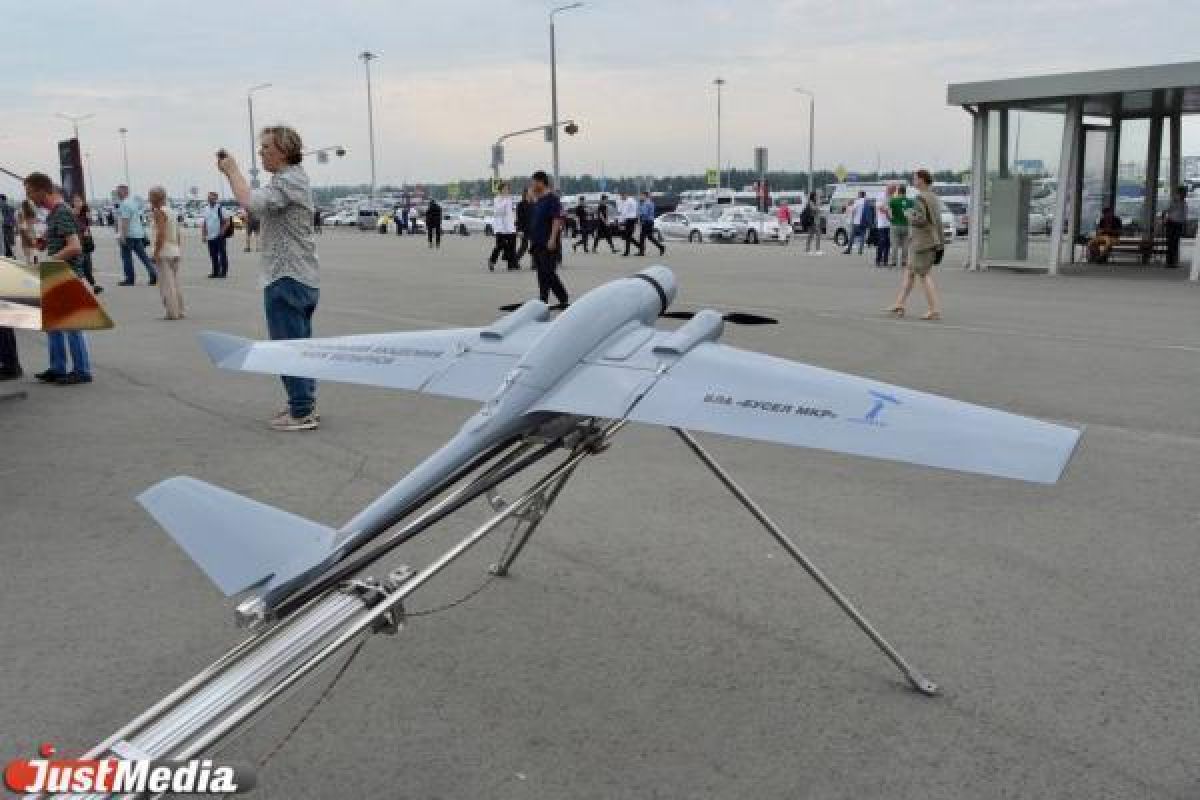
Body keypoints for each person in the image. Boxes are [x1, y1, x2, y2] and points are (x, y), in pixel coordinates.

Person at [218, 126, 321, 431]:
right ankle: (303, 403)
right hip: (298, 276)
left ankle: (301, 411)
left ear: (284, 151)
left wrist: (232, 171)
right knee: (299, 346)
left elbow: (251, 203)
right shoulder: (289, 179)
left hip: (287, 277)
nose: (261, 152)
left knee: (286, 348)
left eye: (266, 147)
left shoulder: (289, 180)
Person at [24, 173, 92, 385]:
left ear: (42, 191)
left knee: (72, 326)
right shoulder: (54, 213)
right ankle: (58, 368)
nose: (29, 197)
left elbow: (75, 247)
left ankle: (81, 370)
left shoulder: (61, 212)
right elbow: (54, 241)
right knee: (52, 323)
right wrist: (40, 241)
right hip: (57, 275)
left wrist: (49, 260)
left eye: (30, 192)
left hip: (68, 276)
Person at [886, 169, 944, 321]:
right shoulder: (933, 196)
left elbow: (921, 219)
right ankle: (900, 303)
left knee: (923, 275)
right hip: (929, 240)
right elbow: (936, 220)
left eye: (915, 178)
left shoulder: (920, 197)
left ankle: (934, 309)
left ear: (922, 180)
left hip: (922, 242)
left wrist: (909, 215)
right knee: (909, 273)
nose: (913, 180)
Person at [528, 170, 567, 307]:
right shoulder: (539, 199)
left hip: (548, 242)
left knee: (548, 272)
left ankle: (563, 297)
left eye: (533, 182)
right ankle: (543, 299)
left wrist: (552, 239)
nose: (532, 185)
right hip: (537, 242)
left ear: (541, 182)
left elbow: (557, 219)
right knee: (541, 273)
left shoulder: (552, 199)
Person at [148, 186, 184, 320]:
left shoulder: (159, 212)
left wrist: (156, 253)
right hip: (174, 250)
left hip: (164, 251)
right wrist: (178, 248)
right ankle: (180, 310)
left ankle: (172, 312)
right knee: (175, 282)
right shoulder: (172, 212)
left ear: (155, 198)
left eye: (150, 196)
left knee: (166, 284)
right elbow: (178, 233)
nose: (149, 199)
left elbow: (161, 234)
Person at [115, 184, 157, 286]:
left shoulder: (124, 204)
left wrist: (123, 236)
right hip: (138, 234)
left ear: (125, 192)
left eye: (119, 191)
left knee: (126, 257)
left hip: (129, 235)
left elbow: (125, 221)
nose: (117, 193)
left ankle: (130, 279)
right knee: (143, 257)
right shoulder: (134, 202)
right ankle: (153, 273)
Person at [70, 195, 102, 294]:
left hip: (86, 242)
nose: (78, 203)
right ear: (72, 203)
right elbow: (75, 227)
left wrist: (88, 217)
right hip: (77, 242)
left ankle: (92, 285)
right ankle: (88, 286)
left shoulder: (85, 213)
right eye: (76, 201)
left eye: (79, 201)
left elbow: (89, 224)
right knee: (80, 265)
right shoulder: (71, 213)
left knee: (87, 265)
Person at [201, 191, 231, 278]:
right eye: (209, 198)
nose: (210, 199)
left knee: (222, 254)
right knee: (213, 254)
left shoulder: (220, 209)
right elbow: (205, 222)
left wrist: (222, 231)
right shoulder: (206, 209)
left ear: (216, 198)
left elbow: (227, 221)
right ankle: (215, 272)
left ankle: (223, 272)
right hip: (210, 236)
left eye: (211, 198)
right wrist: (203, 235)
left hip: (219, 236)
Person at [488, 183, 517, 270]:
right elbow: (499, 211)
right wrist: (504, 200)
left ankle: (510, 264)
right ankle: (492, 261)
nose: (506, 191)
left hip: (510, 227)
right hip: (500, 227)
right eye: (504, 189)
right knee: (500, 246)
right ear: (500, 190)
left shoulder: (510, 199)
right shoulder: (497, 199)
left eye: (507, 189)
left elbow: (510, 212)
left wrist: (514, 224)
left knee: (511, 246)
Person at [888, 184, 913, 268]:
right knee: (905, 245)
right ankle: (904, 261)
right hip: (906, 225)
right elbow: (911, 214)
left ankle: (893, 261)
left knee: (894, 244)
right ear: (905, 192)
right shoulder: (910, 201)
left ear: (898, 191)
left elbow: (889, 213)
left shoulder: (893, 201)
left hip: (895, 225)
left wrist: (891, 219)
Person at [1163, 186, 1188, 268]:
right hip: (1172, 223)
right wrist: (1164, 219)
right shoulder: (1174, 201)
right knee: (1171, 243)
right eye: (1184, 193)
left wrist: (1184, 224)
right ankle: (1169, 262)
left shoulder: (1184, 202)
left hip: (1179, 224)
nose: (1185, 194)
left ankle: (1173, 262)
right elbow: (1165, 210)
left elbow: (1184, 215)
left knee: (1175, 243)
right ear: (1180, 193)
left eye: (1185, 193)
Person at [638, 191, 665, 256]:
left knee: (642, 237)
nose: (641, 197)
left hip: (647, 221)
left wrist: (639, 214)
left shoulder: (646, 203)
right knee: (649, 237)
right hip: (649, 221)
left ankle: (642, 252)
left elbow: (644, 213)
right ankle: (661, 247)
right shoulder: (650, 203)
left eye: (642, 196)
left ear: (645, 196)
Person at [843, 191, 867, 255]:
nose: (857, 195)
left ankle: (849, 249)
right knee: (862, 236)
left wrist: (852, 217)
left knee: (852, 236)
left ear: (860, 195)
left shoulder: (857, 201)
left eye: (858, 194)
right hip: (864, 221)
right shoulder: (867, 202)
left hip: (856, 221)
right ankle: (860, 251)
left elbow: (853, 210)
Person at [514, 188, 532, 268]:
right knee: (524, 246)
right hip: (524, 229)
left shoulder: (534, 203)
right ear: (525, 193)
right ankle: (514, 261)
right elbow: (519, 218)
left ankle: (534, 264)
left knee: (534, 246)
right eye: (530, 191)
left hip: (533, 228)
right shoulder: (520, 204)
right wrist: (520, 230)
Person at [619, 192, 642, 257]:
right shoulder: (632, 201)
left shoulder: (628, 202)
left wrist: (621, 221)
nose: (621, 198)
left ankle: (628, 251)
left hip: (630, 220)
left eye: (621, 196)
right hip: (631, 220)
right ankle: (639, 246)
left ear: (625, 195)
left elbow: (624, 212)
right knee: (628, 236)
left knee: (627, 236)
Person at [17, 199, 38, 265]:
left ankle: (28, 261)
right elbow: (35, 222)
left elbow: (21, 224)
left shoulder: (21, 213)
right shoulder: (32, 212)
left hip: (24, 231)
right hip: (32, 230)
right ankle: (35, 258)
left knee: (26, 246)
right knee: (33, 245)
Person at [873, 189, 892, 267]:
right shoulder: (881, 196)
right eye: (892, 190)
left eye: (894, 190)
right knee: (882, 241)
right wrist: (887, 213)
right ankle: (878, 260)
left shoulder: (892, 197)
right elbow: (879, 208)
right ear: (888, 189)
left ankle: (885, 261)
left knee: (888, 243)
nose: (893, 191)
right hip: (881, 224)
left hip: (889, 224)